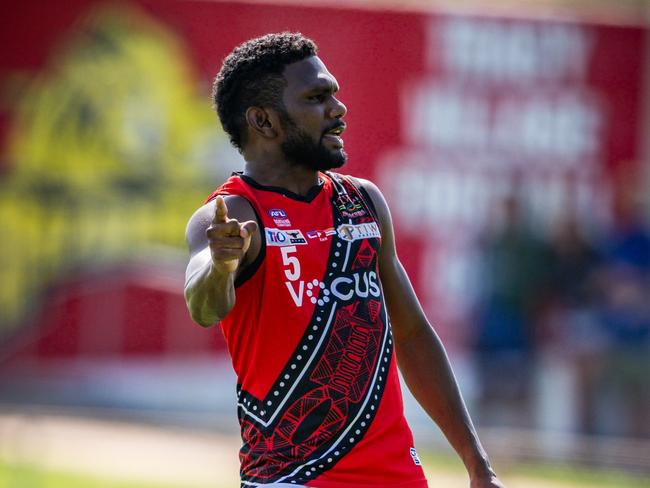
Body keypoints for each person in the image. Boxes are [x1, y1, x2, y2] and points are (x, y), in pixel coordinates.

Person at [184, 32, 504, 488]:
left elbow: (412, 334)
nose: (338, 109)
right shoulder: (232, 214)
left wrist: (477, 463)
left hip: (398, 479)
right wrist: (220, 265)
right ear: (264, 121)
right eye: (317, 97)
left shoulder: (364, 202)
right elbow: (202, 306)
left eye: (334, 93)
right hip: (291, 478)